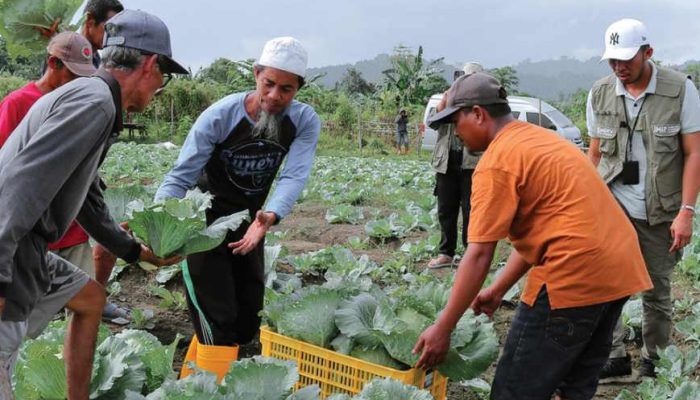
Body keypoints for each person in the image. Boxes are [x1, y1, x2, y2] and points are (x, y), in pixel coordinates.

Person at [413, 72, 652, 399]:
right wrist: (498, 289)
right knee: (576, 385)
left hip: (575, 273)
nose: (455, 132)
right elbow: (546, 230)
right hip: (618, 270)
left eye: (456, 122)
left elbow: (479, 254)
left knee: (515, 388)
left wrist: (444, 327)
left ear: (478, 114)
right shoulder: (543, 140)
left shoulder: (496, 162)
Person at [0, 10, 187, 399]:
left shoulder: (94, 98)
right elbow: (18, 188)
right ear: (151, 65)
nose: (157, 90)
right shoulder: (95, 103)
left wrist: (134, 251)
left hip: (27, 249)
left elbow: (87, 196)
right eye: (162, 78)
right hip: (11, 252)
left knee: (90, 300)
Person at [155, 36, 321, 381]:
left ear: (299, 89)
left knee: (247, 316)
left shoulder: (303, 121)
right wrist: (158, 223)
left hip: (251, 222)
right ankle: (211, 388)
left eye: (286, 89)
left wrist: (268, 217)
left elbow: (293, 175)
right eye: (269, 84)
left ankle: (192, 380)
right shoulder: (220, 116)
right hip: (203, 223)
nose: (275, 97)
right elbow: (180, 175)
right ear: (256, 74)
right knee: (217, 314)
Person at [586, 18, 700, 380]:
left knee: (656, 287)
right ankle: (615, 354)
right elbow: (595, 154)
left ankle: (656, 359)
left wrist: (686, 211)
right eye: (613, 61)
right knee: (605, 283)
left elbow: (694, 153)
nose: (619, 68)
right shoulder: (600, 92)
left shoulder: (680, 90)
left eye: (627, 60)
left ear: (648, 52)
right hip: (612, 202)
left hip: (658, 206)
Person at [428, 62, 484, 269]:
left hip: (473, 162)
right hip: (446, 161)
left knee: (472, 209)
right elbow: (432, 122)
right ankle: (446, 253)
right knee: (445, 208)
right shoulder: (448, 99)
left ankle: (470, 254)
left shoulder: (483, 104)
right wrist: (447, 98)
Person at [80, 0, 124, 68]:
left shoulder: (99, 65)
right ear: (90, 21)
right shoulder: (64, 56)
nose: (115, 35)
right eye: (110, 27)